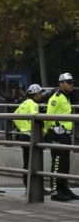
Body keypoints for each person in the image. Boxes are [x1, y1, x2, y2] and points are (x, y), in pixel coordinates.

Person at [45, 73, 76, 201]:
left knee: (65, 162)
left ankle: (64, 187)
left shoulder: (66, 97)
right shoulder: (56, 97)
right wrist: (46, 133)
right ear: (61, 83)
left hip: (65, 134)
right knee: (57, 162)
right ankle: (55, 190)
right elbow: (48, 116)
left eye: (72, 82)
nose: (71, 85)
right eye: (68, 82)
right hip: (57, 134)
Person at [14, 84, 46, 186]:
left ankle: (27, 184)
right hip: (30, 135)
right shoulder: (33, 104)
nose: (42, 95)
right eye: (40, 93)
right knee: (35, 162)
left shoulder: (24, 103)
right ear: (35, 94)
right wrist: (42, 130)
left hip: (23, 135)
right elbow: (35, 118)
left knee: (27, 162)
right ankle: (35, 186)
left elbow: (14, 116)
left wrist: (22, 127)